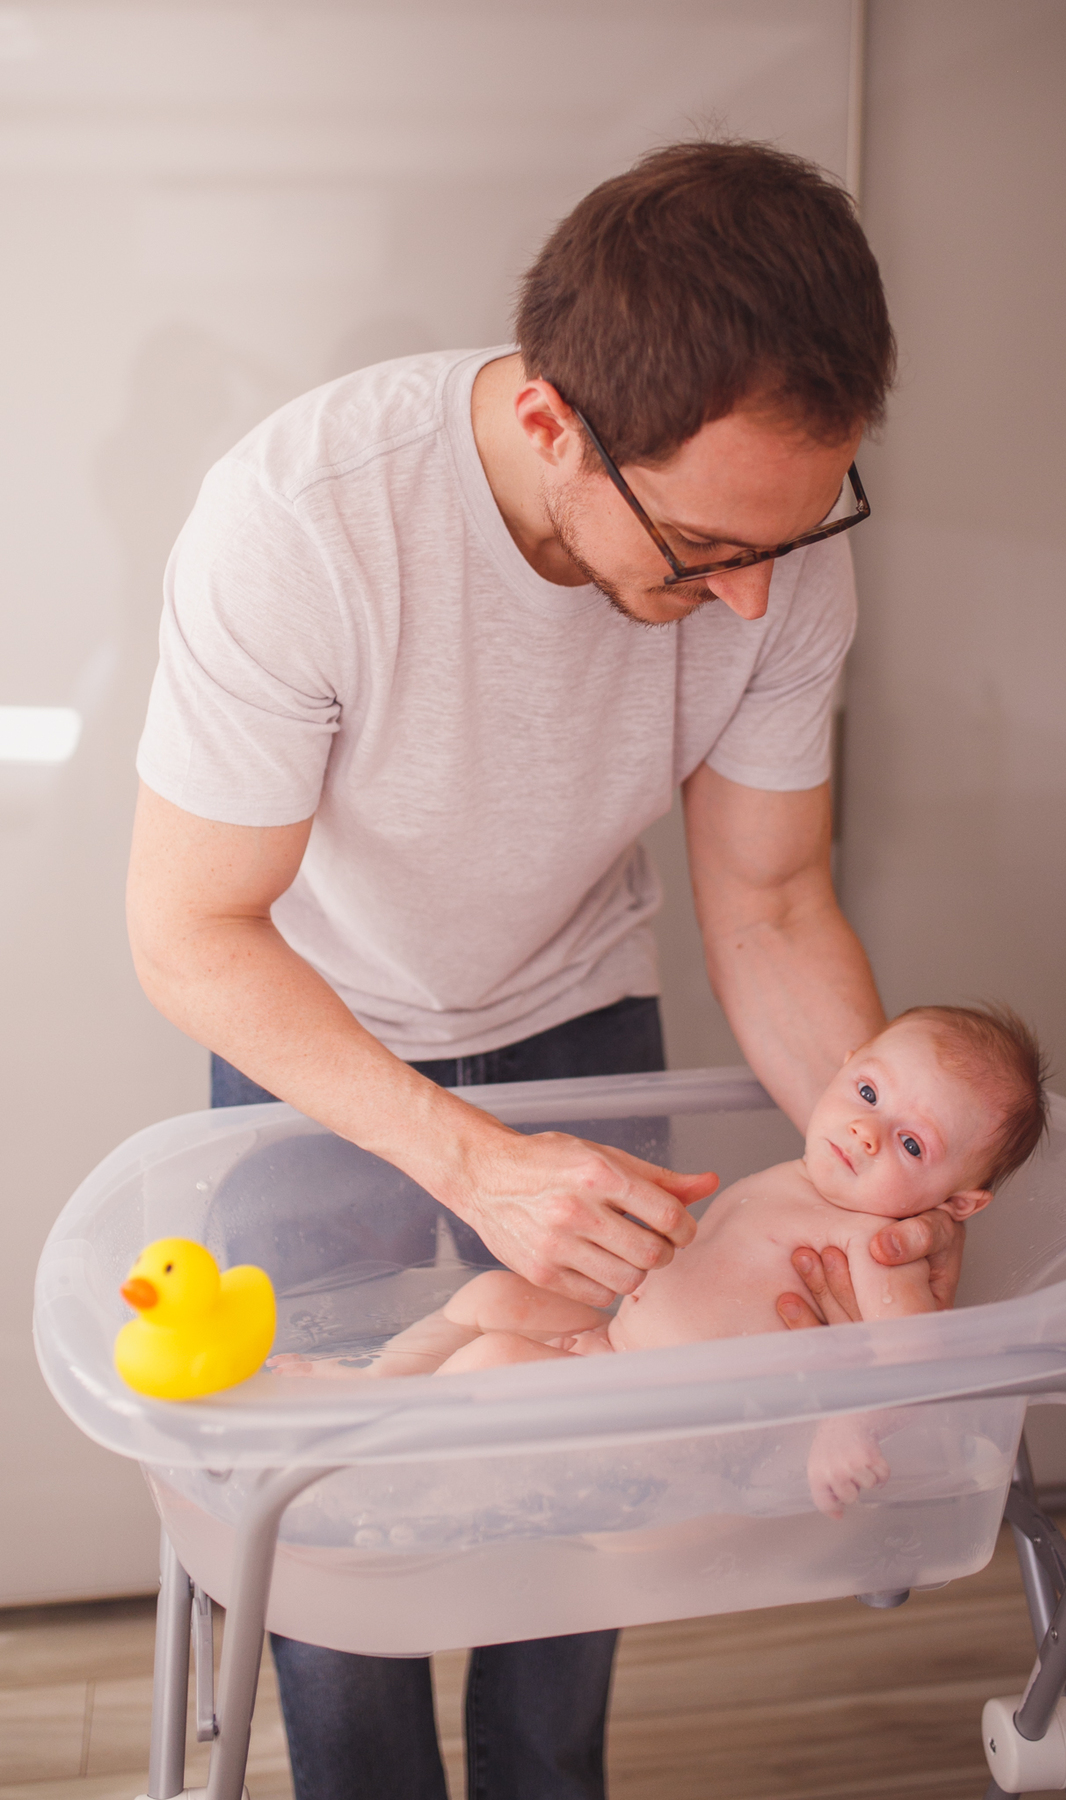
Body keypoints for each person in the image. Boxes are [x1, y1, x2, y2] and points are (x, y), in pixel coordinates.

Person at [127, 140, 965, 1800]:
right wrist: (470, 1164)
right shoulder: (302, 524)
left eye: (787, 544)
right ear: (548, 428)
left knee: (595, 1480)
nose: (751, 601)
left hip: (587, 1013)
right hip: (326, 1045)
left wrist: (879, 1184)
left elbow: (776, 897)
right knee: (341, 1512)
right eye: (708, 548)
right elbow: (188, 931)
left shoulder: (777, 547)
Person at [275, 1005, 1048, 1516]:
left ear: (957, 1204)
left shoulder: (877, 1246)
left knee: (492, 1361)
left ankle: (378, 1463)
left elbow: (916, 1355)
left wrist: (852, 1423)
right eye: (869, 1091)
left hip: (660, 1429)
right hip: (616, 1348)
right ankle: (376, 1388)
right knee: (495, 1298)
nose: (869, 1132)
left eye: (913, 1145)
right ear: (843, 1067)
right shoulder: (802, 1176)